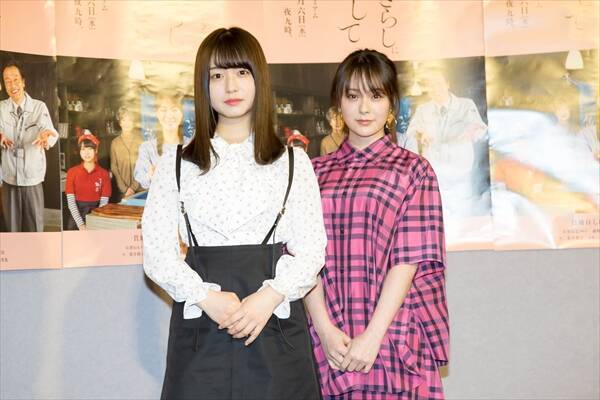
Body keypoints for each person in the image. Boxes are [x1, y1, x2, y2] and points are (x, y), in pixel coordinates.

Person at [141, 27, 326, 399]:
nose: (230, 86)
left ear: (259, 79)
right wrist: (206, 297)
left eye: (242, 72)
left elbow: (311, 251)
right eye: (217, 75)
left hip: (274, 327)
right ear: (203, 84)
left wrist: (268, 298)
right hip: (201, 328)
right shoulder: (176, 164)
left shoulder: (292, 162)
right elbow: (157, 255)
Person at [306, 49, 449, 399]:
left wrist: (372, 336)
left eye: (375, 95)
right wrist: (324, 329)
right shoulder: (312, 173)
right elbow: (299, 255)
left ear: (391, 103)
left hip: (391, 330)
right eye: (353, 96)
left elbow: (409, 259)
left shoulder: (413, 170)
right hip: (327, 335)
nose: (364, 108)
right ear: (338, 103)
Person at [403, 67, 487, 217]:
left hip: (460, 175)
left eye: (438, 83)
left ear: (447, 84)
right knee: (436, 218)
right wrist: (420, 134)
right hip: (435, 176)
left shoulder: (465, 105)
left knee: (461, 218)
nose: (435, 89)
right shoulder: (423, 110)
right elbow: (410, 132)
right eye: (431, 85)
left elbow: (481, 129)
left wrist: (472, 131)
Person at [0, 60, 58, 232]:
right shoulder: (1, 108)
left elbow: (50, 132)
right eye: (7, 81)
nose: (12, 85)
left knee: (34, 230)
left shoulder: (39, 107)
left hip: (32, 179)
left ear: (23, 81)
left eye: (15, 79)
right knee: (12, 230)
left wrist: (46, 135)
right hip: (9, 178)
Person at [134, 94, 183, 189]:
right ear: (157, 114)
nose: (169, 115)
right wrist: (150, 175)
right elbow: (141, 179)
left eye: (174, 110)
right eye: (163, 110)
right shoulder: (147, 148)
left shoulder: (192, 145)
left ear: (181, 113)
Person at [65, 133, 111, 230]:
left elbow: (104, 202)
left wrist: (95, 221)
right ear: (79, 151)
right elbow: (71, 202)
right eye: (83, 149)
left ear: (96, 150)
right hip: (76, 217)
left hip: (97, 215)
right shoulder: (72, 172)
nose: (86, 153)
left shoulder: (104, 174)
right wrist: (81, 224)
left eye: (90, 149)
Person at [110, 106, 143, 199]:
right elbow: (114, 167)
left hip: (140, 189)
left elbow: (144, 165)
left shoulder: (140, 141)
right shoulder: (115, 143)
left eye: (130, 120)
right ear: (120, 122)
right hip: (123, 192)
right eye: (124, 120)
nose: (127, 123)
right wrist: (124, 188)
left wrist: (133, 187)